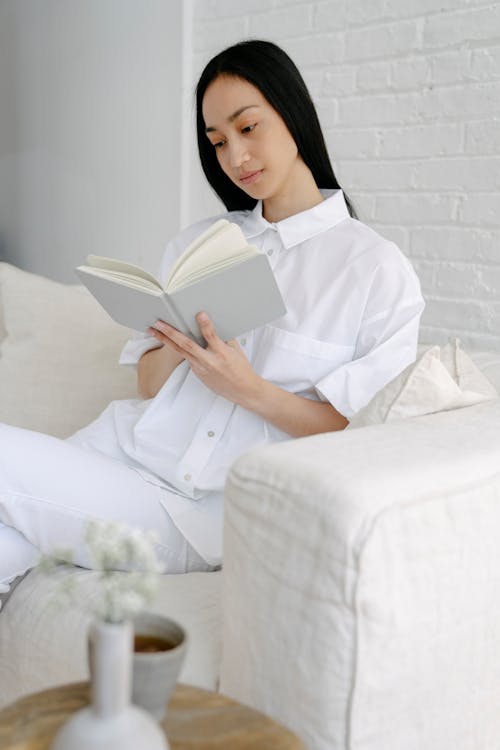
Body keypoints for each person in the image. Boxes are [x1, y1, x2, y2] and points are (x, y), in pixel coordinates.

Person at [0, 39, 425, 603]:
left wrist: (247, 389)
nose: (235, 158)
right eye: (219, 142)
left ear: (293, 116)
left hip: (193, 514)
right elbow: (148, 386)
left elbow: (364, 432)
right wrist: (184, 332)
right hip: (112, 455)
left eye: (249, 129)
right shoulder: (200, 242)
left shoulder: (372, 269)